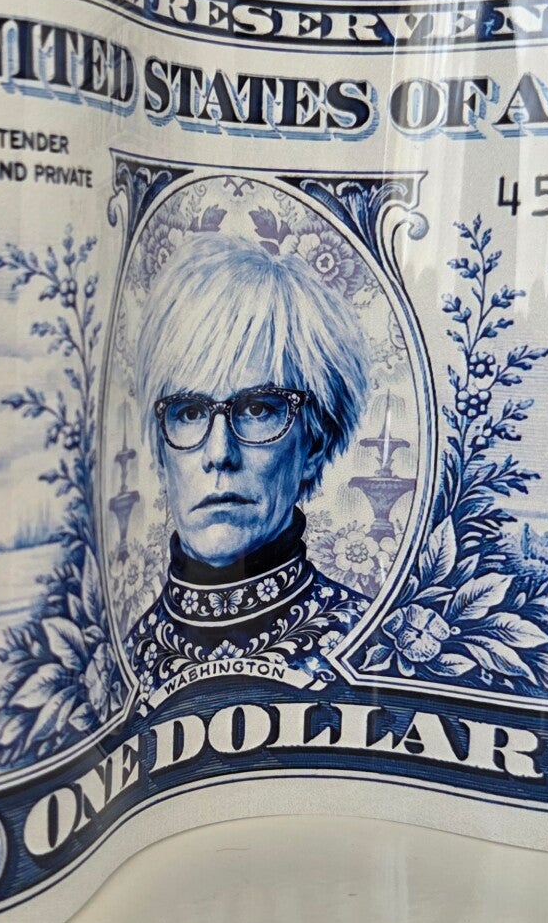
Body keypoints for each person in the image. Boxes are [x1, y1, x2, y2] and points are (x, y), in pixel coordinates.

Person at [125, 235, 373, 699]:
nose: (220, 452)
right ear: (160, 453)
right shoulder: (124, 660)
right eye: (189, 412)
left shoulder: (370, 647)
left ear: (314, 444)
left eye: (258, 409)